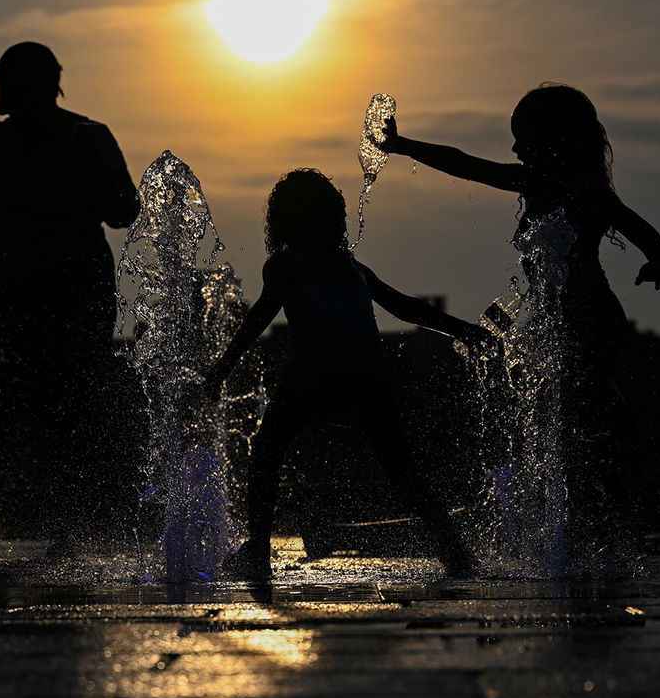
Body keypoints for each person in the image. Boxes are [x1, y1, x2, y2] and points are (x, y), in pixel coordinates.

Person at [381, 84, 660, 567]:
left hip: (589, 320)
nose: (515, 149)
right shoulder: (541, 183)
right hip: (558, 322)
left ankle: (598, 530)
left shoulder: (586, 191)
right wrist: (403, 145)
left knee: (578, 425)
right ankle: (593, 526)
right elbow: (465, 165)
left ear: (555, 138)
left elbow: (643, 231)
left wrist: (659, 261)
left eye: (523, 138)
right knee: (576, 425)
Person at [204, 168, 487, 580]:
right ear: (333, 217)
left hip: (314, 377)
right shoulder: (352, 266)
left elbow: (258, 318)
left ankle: (259, 555)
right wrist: (464, 330)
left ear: (282, 219)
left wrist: (221, 369)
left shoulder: (286, 264)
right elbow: (405, 307)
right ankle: (455, 550)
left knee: (266, 456)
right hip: (369, 377)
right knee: (401, 469)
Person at [0, 42, 140, 542]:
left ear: (44, 85)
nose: (4, 91)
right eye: (1, 79)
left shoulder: (88, 137)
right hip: (5, 292)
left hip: (73, 295)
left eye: (14, 80)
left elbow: (124, 212)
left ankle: (70, 526)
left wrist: (93, 178)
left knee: (66, 409)